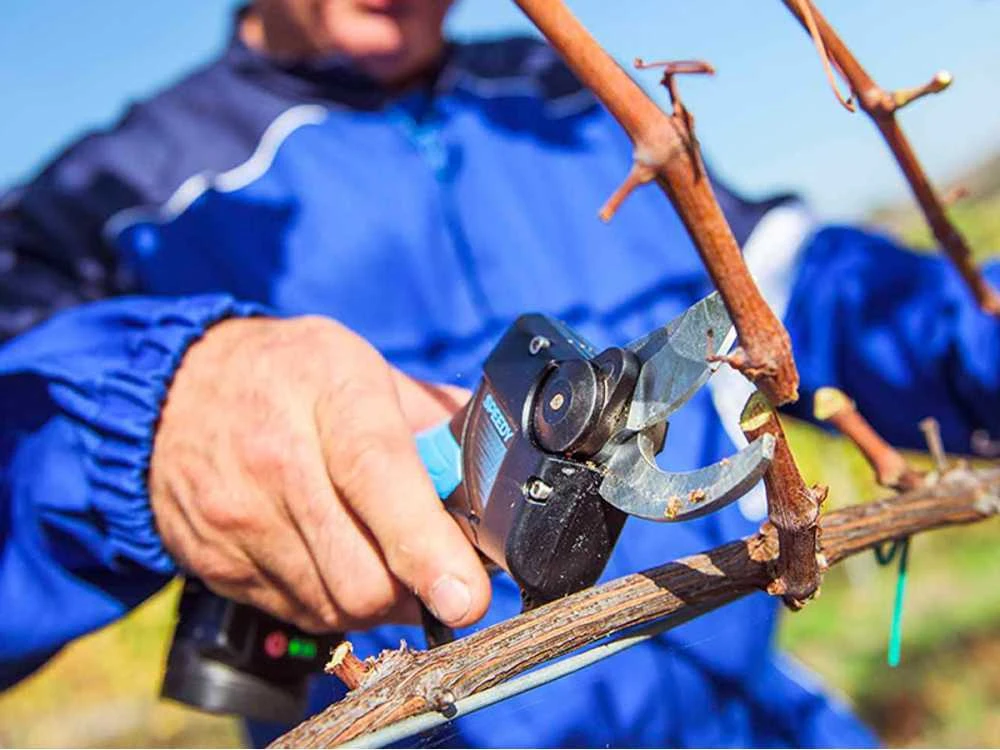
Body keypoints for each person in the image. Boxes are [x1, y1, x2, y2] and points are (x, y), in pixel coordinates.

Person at [1, 0, 996, 746]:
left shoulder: (567, 99)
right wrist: (134, 429)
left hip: (754, 723)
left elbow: (789, 291)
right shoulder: (104, 210)